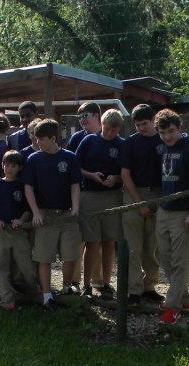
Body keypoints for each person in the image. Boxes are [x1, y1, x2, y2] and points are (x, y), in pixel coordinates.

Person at [153, 109, 189, 325]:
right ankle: (185, 299)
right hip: (164, 208)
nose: (167, 136)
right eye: (163, 132)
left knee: (179, 261)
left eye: (171, 131)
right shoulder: (164, 148)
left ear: (179, 129)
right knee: (163, 256)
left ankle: (173, 306)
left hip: (182, 211)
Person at [23, 118, 82, 309]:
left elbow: (75, 185)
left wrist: (75, 207)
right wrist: (35, 212)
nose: (37, 142)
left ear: (53, 138)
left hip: (66, 213)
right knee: (44, 256)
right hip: (45, 214)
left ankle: (66, 287)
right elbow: (28, 188)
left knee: (70, 254)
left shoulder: (69, 157)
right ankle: (47, 294)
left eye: (41, 138)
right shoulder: (33, 159)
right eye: (36, 138)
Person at [75, 108, 124, 299]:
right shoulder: (89, 141)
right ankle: (87, 283)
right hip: (90, 195)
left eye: (114, 129)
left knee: (109, 241)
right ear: (101, 124)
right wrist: (92, 176)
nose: (110, 133)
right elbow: (76, 166)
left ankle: (106, 283)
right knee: (92, 242)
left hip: (112, 195)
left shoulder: (122, 144)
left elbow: (127, 172)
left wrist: (116, 178)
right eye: (107, 128)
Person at [120, 104, 165, 306]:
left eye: (144, 124)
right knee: (133, 246)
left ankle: (149, 286)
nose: (141, 128)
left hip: (158, 193)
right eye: (137, 125)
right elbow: (125, 174)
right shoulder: (130, 143)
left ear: (153, 120)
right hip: (133, 194)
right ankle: (134, 290)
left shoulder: (163, 139)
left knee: (151, 246)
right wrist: (138, 203)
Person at [0, 150, 36, 310]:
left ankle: (32, 293)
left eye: (13, 166)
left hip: (19, 231)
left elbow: (28, 209)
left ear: (19, 168)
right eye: (7, 165)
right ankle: (6, 300)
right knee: (1, 265)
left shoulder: (22, 186)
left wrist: (21, 220)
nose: (9, 169)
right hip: (0, 231)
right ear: (2, 165)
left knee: (25, 265)